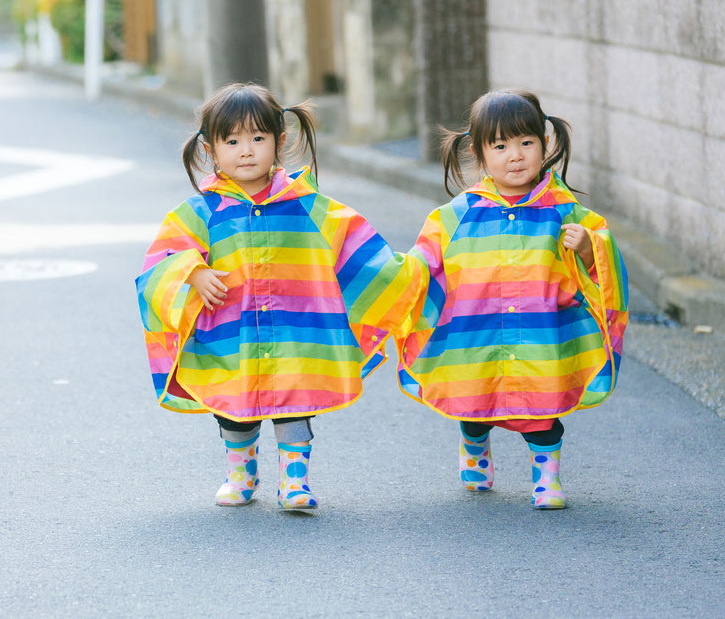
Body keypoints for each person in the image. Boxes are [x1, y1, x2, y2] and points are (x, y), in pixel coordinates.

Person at [136, 83, 420, 510]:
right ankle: (240, 474)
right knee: (233, 407)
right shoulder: (202, 211)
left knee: (294, 403)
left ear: (279, 142)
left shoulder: (307, 206)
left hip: (293, 332)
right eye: (231, 141)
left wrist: (418, 271)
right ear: (212, 150)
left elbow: (358, 248)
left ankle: (295, 481)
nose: (245, 151)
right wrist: (191, 272)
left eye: (257, 138)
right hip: (231, 334)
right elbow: (161, 260)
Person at [394, 89, 629, 509]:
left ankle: (547, 481)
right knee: (473, 402)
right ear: (480, 154)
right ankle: (475, 450)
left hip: (542, 335)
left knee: (542, 413)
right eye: (500, 146)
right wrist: (386, 280)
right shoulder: (457, 214)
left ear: (545, 145)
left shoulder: (564, 212)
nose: (515, 156)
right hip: (475, 331)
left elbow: (604, 268)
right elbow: (421, 263)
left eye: (526, 143)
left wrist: (592, 249)